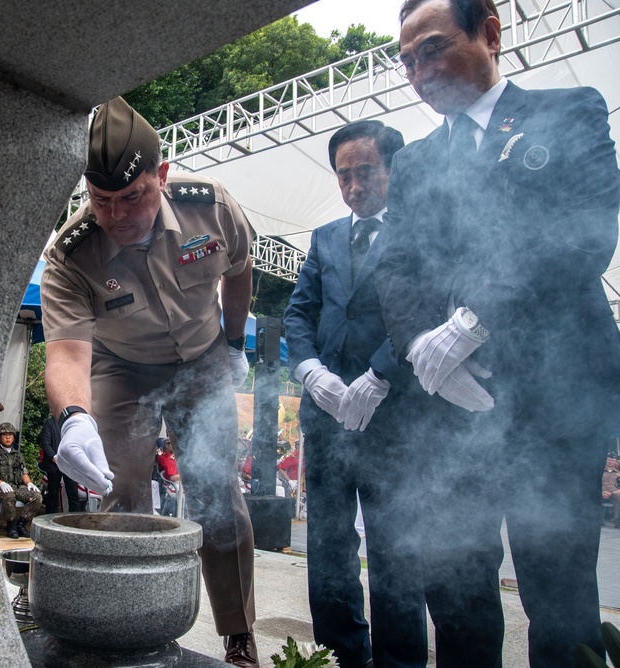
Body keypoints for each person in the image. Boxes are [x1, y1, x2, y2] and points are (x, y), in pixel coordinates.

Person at [374, 0, 620, 665]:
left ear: (488, 33)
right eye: (405, 61)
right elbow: (395, 264)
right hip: (453, 404)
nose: (417, 72)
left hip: (555, 396)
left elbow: (584, 234)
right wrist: (423, 346)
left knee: (558, 588)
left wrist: (471, 323)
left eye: (431, 49)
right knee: (454, 583)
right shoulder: (419, 161)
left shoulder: (570, 112)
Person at [40, 96, 260, 667]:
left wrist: (234, 347)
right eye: (102, 200)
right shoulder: (71, 254)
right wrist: (74, 417)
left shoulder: (209, 207)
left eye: (133, 196)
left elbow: (240, 273)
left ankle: (238, 636)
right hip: (121, 366)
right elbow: (66, 353)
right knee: (122, 490)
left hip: (202, 359)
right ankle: (124, 629)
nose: (117, 216)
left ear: (161, 177)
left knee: (216, 494)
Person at [282, 120, 427, 668]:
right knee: (330, 548)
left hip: (393, 418)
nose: (353, 186)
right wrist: (310, 371)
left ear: (392, 168)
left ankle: (400, 662)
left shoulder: (417, 233)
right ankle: (341, 656)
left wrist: (381, 372)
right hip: (326, 417)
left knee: (394, 551)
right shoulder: (323, 238)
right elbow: (300, 313)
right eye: (343, 175)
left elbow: (426, 312)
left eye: (364, 172)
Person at [0, 422, 42, 540]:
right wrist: (1, 483)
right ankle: (11, 525)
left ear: (14, 437)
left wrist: (29, 483)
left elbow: (23, 472)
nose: (8, 437)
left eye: (10, 434)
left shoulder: (17, 455)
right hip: (0, 487)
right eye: (4, 435)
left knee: (36, 496)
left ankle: (21, 524)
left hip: (16, 486)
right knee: (9, 496)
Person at [38, 415, 84, 513]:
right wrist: (53, 457)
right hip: (54, 464)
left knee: (73, 494)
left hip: (70, 464)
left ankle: (74, 519)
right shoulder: (50, 423)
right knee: (53, 493)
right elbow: (45, 443)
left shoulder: (74, 423)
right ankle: (49, 519)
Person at [604, 452, 620, 529]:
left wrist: (611, 493)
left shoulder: (619, 473)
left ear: (616, 461)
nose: (610, 461)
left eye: (612, 460)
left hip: (613, 494)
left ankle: (618, 522)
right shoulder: (600, 470)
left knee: (618, 497)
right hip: (600, 492)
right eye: (609, 459)